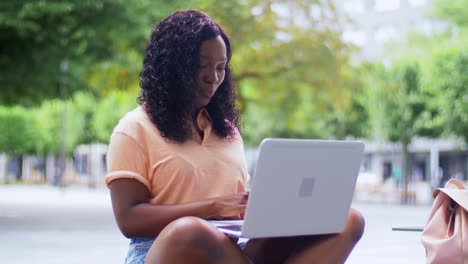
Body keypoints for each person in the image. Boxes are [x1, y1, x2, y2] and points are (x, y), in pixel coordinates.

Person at [106, 10, 365, 264]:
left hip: (232, 248)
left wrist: (263, 206)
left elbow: (234, 208)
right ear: (172, 68)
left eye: (221, 67)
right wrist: (212, 207)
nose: (214, 77)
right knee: (190, 231)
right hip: (162, 249)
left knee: (347, 220)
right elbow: (129, 220)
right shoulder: (134, 129)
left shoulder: (226, 130)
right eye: (201, 66)